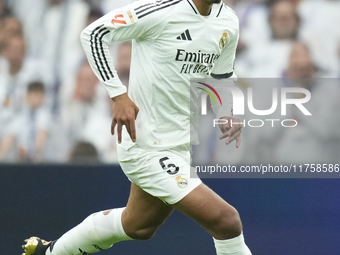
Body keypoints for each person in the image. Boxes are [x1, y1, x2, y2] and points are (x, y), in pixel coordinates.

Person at [22, 0, 251, 255]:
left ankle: (50, 252)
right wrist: (118, 95)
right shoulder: (160, 11)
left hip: (179, 144)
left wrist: (226, 112)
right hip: (144, 144)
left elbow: (222, 75)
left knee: (138, 225)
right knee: (226, 221)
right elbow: (94, 34)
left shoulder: (228, 21)